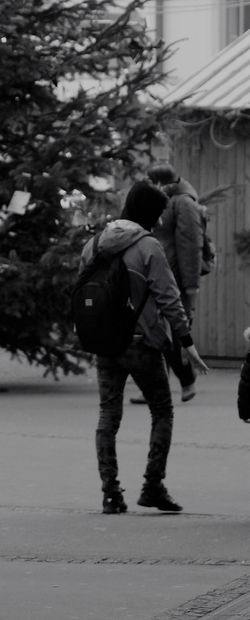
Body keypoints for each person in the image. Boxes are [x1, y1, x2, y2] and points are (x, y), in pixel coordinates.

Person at [80, 180, 209, 515]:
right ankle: (153, 486)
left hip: (104, 344)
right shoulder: (149, 247)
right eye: (159, 213)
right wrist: (187, 343)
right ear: (149, 213)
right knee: (162, 411)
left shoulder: (93, 244)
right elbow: (170, 299)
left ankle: (110, 494)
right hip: (142, 343)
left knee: (108, 415)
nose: (162, 220)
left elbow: (82, 293)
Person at [147, 162, 205, 402]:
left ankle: (187, 380)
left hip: (175, 278)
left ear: (164, 182)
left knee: (171, 331)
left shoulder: (183, 203)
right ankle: (156, 387)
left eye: (152, 181)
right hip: (159, 272)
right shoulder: (165, 201)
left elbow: (191, 246)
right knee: (155, 328)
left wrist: (190, 285)